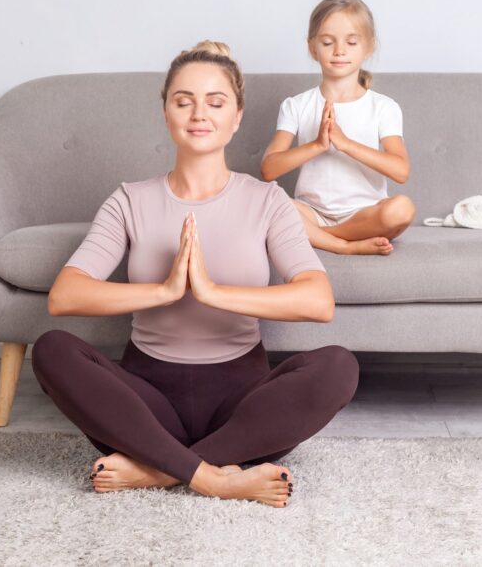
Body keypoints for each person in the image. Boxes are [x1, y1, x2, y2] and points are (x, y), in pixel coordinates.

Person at [32, 40, 360, 509]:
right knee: (51, 350)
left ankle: (159, 470)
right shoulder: (130, 199)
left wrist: (211, 292)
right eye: (183, 101)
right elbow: (65, 296)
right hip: (146, 405)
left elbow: (317, 301)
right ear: (166, 112)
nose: (198, 114)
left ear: (237, 116)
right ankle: (217, 478)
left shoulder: (267, 202)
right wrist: (165, 290)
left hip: (240, 408)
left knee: (339, 367)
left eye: (215, 102)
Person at [261, 0, 415, 256]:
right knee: (264, 200)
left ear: (368, 48)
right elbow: (269, 169)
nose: (339, 51)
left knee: (401, 209)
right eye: (328, 42)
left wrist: (345, 144)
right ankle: (343, 245)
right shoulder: (296, 105)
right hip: (311, 213)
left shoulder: (383, 107)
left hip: (364, 216)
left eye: (351, 42)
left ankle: (318, 238)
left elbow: (400, 170)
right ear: (313, 48)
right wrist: (318, 145)